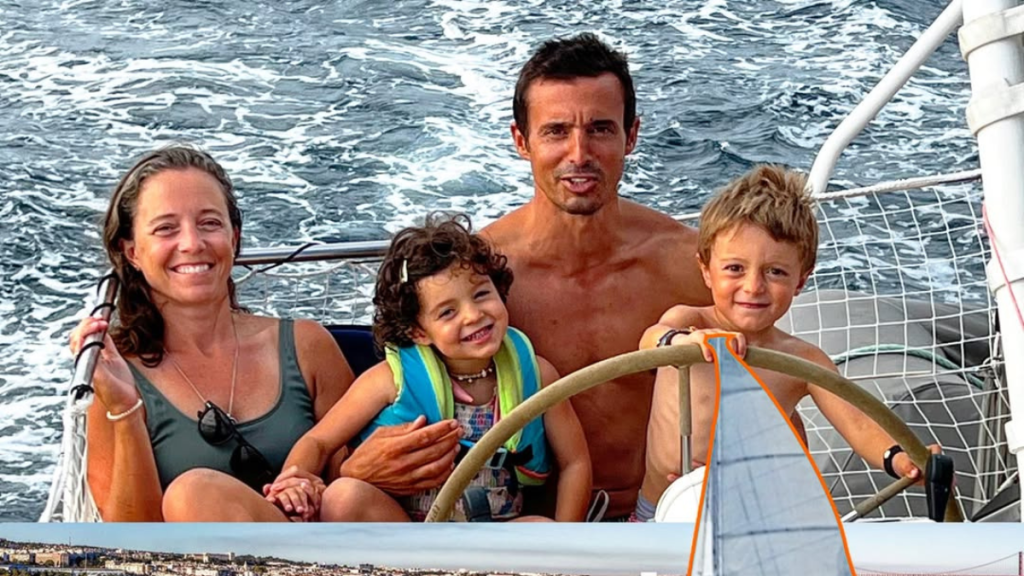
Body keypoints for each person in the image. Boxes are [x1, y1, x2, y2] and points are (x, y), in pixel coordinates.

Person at [479, 33, 712, 520]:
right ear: (521, 141)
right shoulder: (478, 276)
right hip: (527, 528)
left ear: (631, 135)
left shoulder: (690, 265)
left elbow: (765, 380)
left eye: (601, 129)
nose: (579, 153)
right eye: (556, 131)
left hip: (665, 520)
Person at [67, 146, 355, 522]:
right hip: (194, 555)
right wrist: (125, 408)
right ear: (132, 251)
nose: (192, 243)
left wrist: (312, 487)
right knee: (193, 493)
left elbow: (356, 485)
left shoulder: (308, 347)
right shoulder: (115, 376)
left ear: (234, 238)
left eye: (209, 223)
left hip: (320, 547)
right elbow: (130, 536)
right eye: (166, 228)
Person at [636, 165, 935, 521]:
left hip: (749, 517)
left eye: (775, 272)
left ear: (801, 281)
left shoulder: (804, 361)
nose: (753, 287)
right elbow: (650, 341)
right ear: (705, 270)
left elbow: (858, 424)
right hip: (658, 511)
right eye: (735, 269)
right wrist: (686, 341)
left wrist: (900, 460)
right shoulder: (689, 322)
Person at [273, 214, 591, 521]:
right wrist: (294, 482)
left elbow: (574, 462)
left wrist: (565, 541)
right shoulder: (388, 381)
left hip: (499, 533)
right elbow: (318, 442)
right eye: (447, 312)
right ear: (418, 332)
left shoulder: (538, 375)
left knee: (542, 529)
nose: (473, 315)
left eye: (482, 294)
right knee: (343, 496)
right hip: (408, 534)